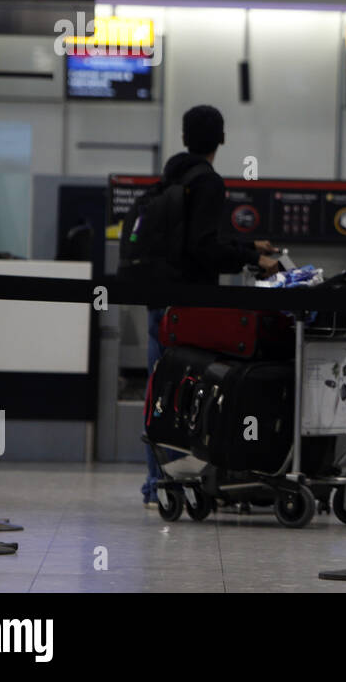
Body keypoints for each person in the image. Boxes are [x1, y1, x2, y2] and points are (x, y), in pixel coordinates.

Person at [141, 105, 282, 507]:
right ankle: (179, 479)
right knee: (190, 391)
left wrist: (246, 246)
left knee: (161, 388)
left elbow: (194, 241)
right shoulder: (208, 182)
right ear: (222, 139)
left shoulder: (171, 176)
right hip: (189, 306)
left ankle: (157, 482)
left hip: (160, 298)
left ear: (184, 138)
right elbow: (204, 250)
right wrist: (255, 260)